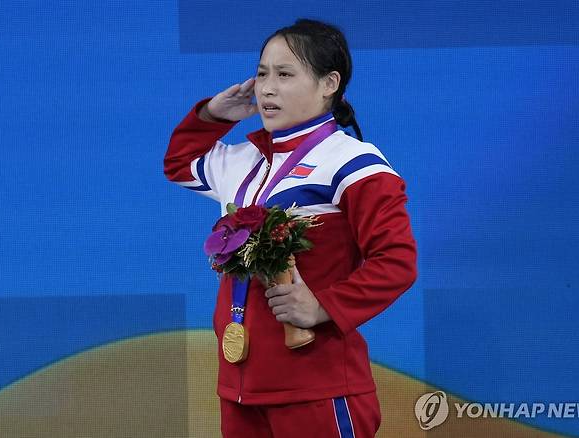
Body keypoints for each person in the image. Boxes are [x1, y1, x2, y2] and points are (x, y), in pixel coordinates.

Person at [164, 18, 417, 438]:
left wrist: (322, 308)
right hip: (242, 390)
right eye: (262, 73)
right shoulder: (244, 159)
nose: (266, 88)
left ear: (328, 83)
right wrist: (213, 116)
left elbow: (397, 261)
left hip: (317, 389)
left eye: (285, 75)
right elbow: (179, 164)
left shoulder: (353, 163)